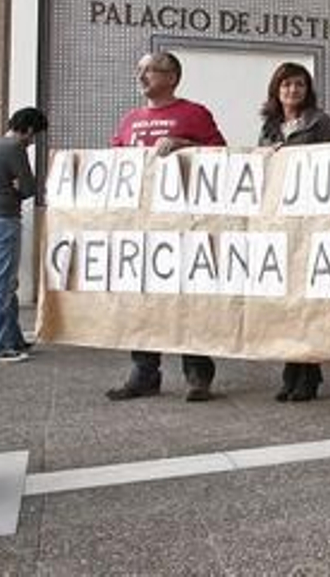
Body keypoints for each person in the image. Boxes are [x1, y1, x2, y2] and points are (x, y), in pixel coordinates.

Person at [105, 51, 227, 403]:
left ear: (172, 77)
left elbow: (221, 154)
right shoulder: (129, 120)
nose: (141, 76)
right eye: (139, 69)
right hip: (141, 228)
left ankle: (197, 374)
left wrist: (185, 146)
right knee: (142, 301)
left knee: (188, 299)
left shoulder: (194, 113)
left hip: (184, 226)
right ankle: (144, 373)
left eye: (150, 70)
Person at [259, 62, 330, 403]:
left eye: (300, 85)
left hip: (310, 218)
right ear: (277, 90)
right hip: (281, 222)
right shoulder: (270, 126)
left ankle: (309, 371)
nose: (293, 91)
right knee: (287, 300)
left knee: (309, 298)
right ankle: (291, 368)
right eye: (287, 85)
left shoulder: (319, 122)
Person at [0, 106, 50, 363]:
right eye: (35, 135)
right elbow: (29, 187)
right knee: (2, 285)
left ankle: (13, 339)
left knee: (7, 283)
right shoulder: (14, 149)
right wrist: (18, 188)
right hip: (3, 220)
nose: (33, 141)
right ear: (29, 129)